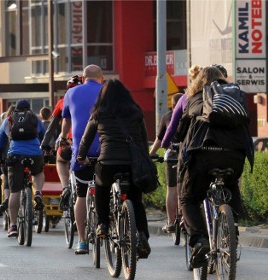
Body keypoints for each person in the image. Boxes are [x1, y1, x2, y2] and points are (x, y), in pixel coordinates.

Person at [175, 66, 254, 268]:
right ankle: (232, 230)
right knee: (232, 185)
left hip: (204, 155)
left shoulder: (195, 99)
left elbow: (181, 132)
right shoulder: (236, 99)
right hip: (235, 156)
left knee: (189, 198)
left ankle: (199, 240)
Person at [77, 79, 152, 259]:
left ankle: (102, 224)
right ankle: (142, 234)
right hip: (131, 164)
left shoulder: (99, 113)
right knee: (136, 199)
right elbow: (143, 139)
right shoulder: (135, 112)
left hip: (107, 162)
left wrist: (81, 156)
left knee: (102, 188)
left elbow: (86, 139)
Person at [60, 65, 103, 254]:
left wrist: (62, 137)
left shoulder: (71, 93)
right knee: (106, 189)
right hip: (106, 150)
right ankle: (107, 226)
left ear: (83, 77)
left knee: (81, 194)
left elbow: (66, 121)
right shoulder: (106, 91)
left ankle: (83, 241)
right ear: (101, 78)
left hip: (81, 152)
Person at [0, 99, 46, 238]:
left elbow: (1, 142)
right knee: (38, 172)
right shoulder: (35, 118)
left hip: (15, 155)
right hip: (35, 154)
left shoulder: (9, 119)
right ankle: (38, 192)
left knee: (15, 191)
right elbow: (43, 136)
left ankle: (13, 225)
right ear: (29, 108)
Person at [41, 75, 83, 209]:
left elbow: (52, 126)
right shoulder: (93, 99)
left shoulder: (63, 101)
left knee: (61, 160)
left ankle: (65, 187)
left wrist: (45, 144)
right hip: (92, 143)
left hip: (70, 142)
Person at [149, 92, 184, 233]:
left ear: (173, 105)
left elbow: (160, 139)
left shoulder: (167, 117)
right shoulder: (191, 113)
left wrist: (151, 153)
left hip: (172, 157)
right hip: (188, 155)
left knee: (172, 188)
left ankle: (170, 222)